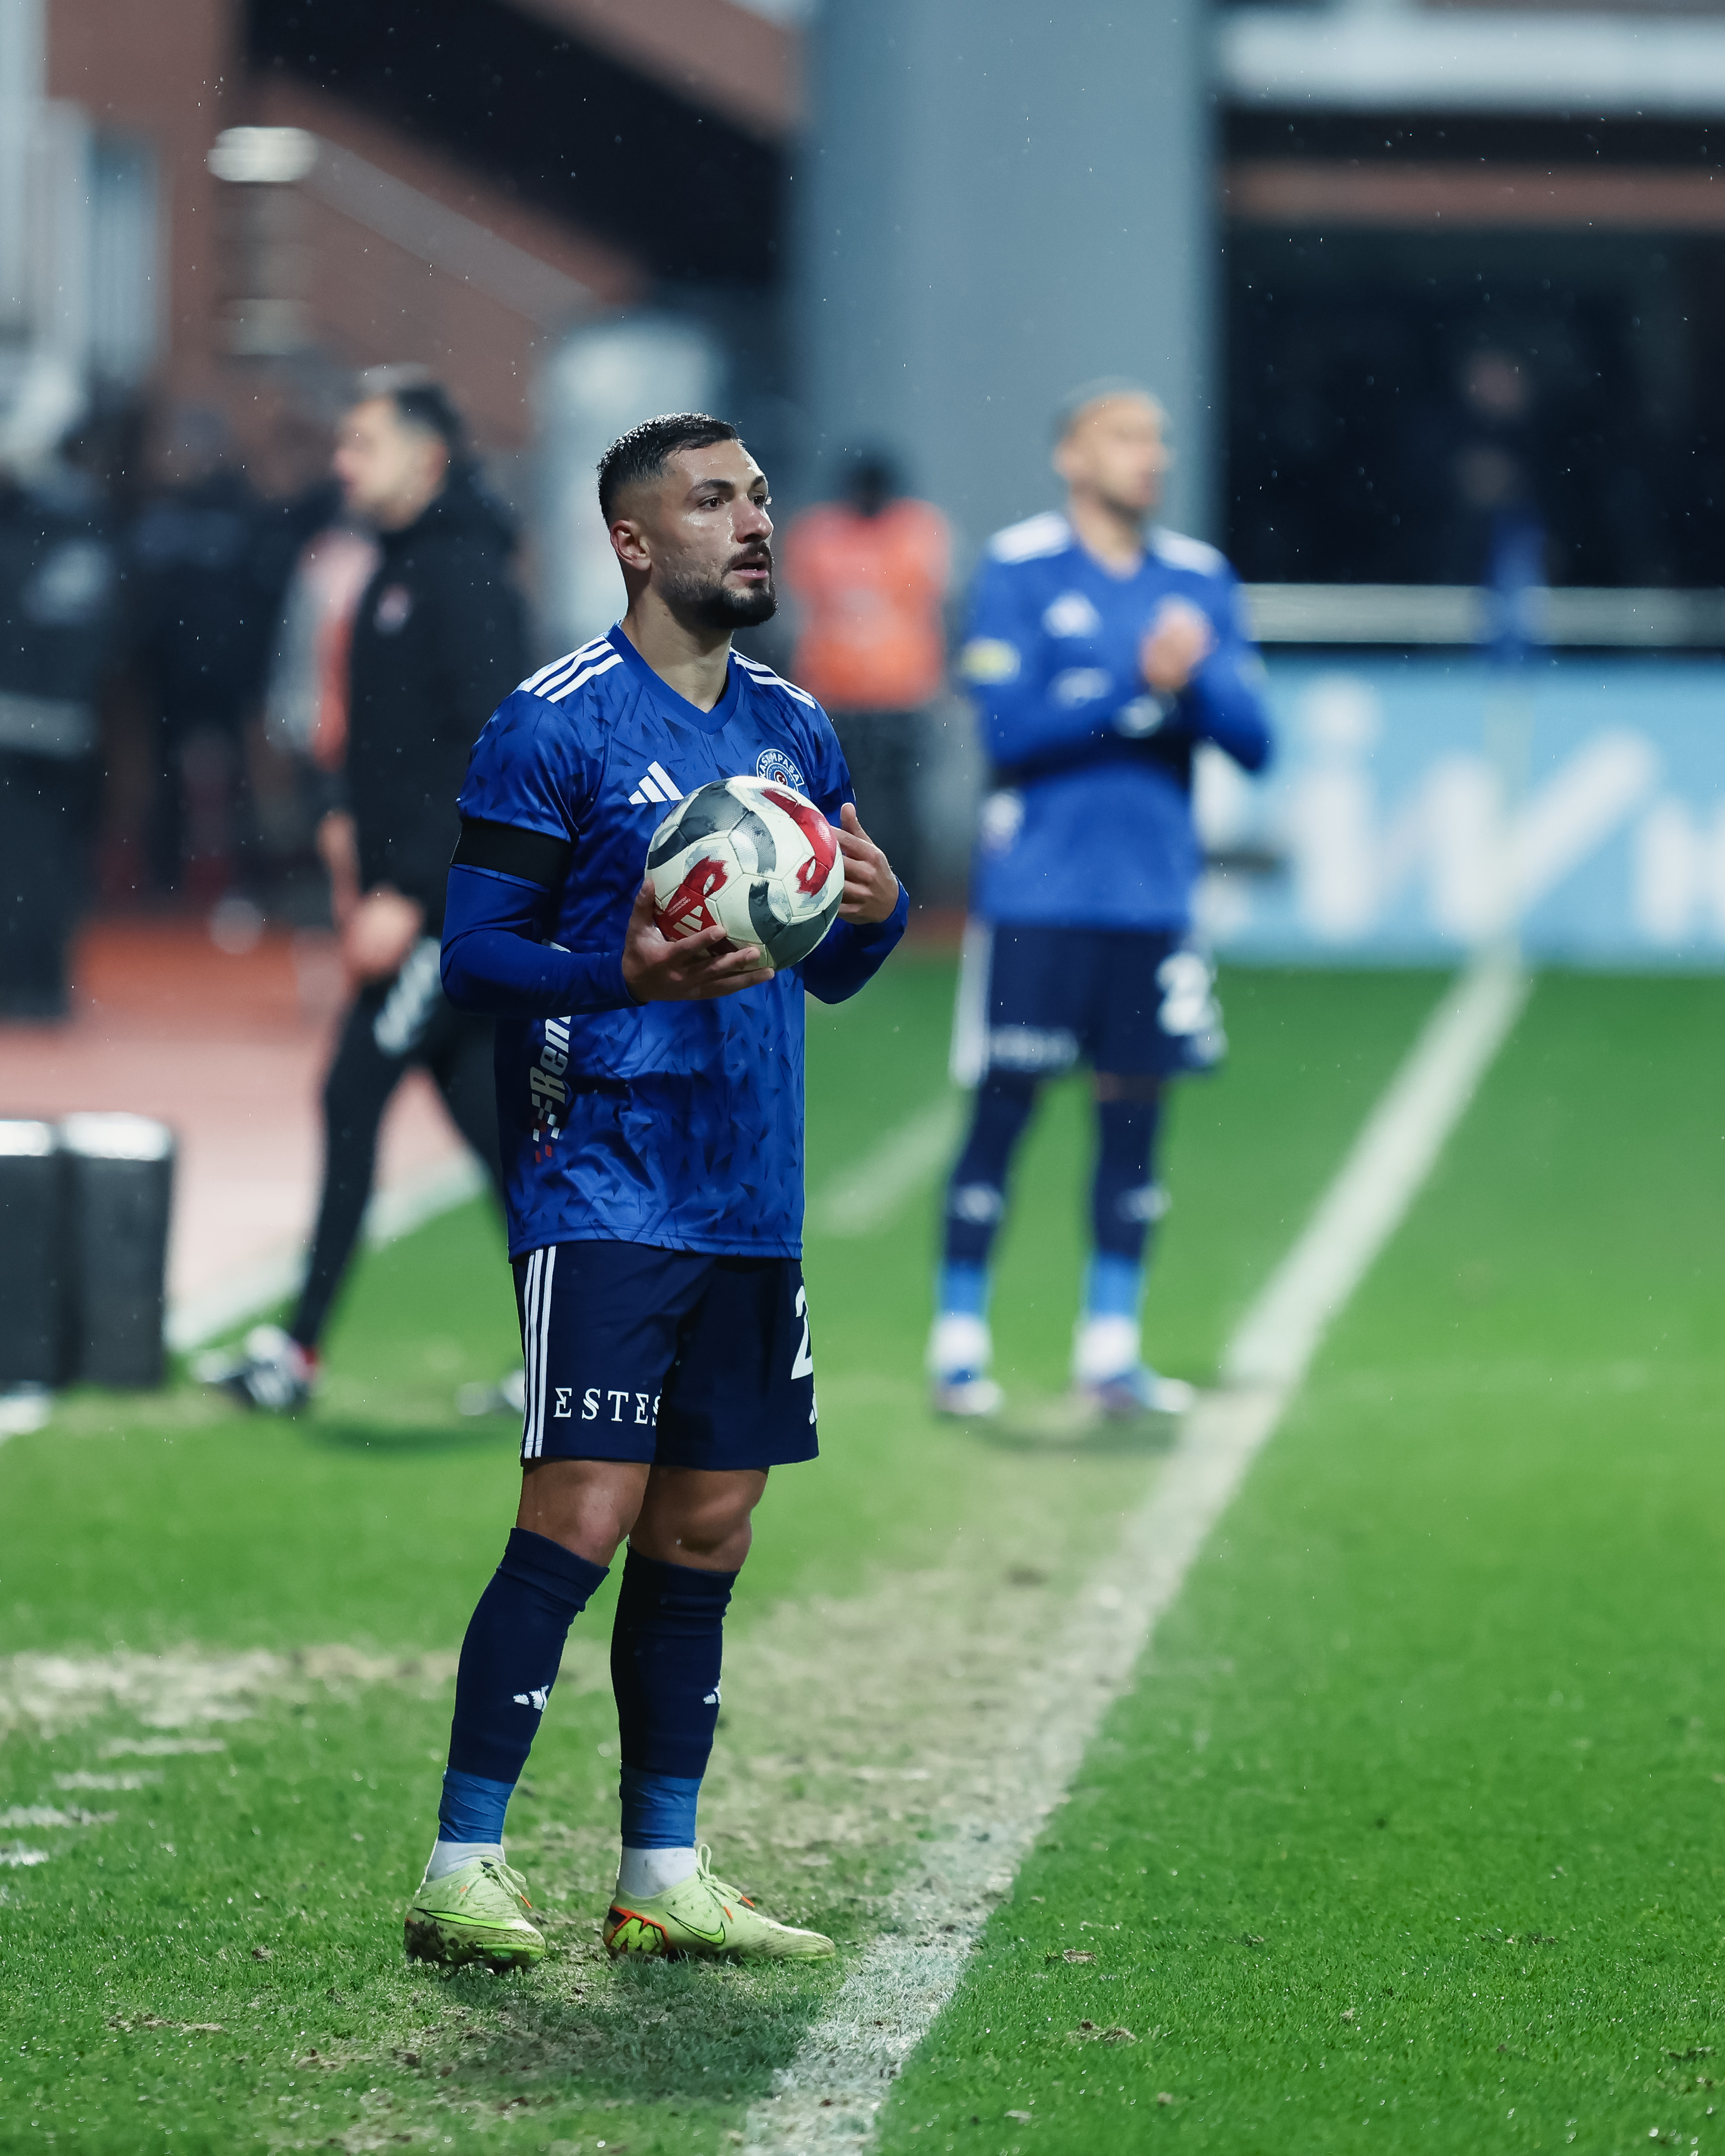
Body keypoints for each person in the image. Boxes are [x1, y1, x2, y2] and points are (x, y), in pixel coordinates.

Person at [401, 411, 906, 1970]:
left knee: (707, 1527)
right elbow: (473, 954)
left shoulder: (795, 731)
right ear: (632, 539)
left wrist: (876, 913)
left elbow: (833, 974)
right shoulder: (552, 723)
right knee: (581, 1511)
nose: (752, 522)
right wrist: (613, 971)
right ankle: (462, 1863)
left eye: (759, 496)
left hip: (751, 1185)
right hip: (602, 1171)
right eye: (712, 500)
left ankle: (660, 1873)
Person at [928, 380, 1273, 1420]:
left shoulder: (1198, 579)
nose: (1149, 455)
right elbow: (1007, 729)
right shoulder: (1020, 568)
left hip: (1153, 898)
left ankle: (1111, 1347)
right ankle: (958, 1341)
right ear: (1071, 457)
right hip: (1039, 893)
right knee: (1004, 1107)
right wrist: (1140, 691)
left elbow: (1256, 741)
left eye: (1156, 438)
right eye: (1124, 437)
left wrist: (1192, 683)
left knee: (1135, 1122)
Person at [197, 372, 526, 1412]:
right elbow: (387, 736)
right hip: (418, 898)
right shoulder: (393, 566)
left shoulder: (463, 575)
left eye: (364, 444)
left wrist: (414, 892)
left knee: (355, 1092)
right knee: (498, 1132)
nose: (343, 463)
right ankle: (584, 1349)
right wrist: (345, 822)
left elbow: (494, 751)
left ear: (427, 458)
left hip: (449, 910)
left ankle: (296, 1353)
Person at [782, 451, 949, 898]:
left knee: (899, 801)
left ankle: (905, 890)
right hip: (836, 693)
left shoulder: (917, 531)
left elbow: (937, 608)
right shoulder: (819, 535)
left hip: (900, 694)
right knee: (839, 798)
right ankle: (840, 886)